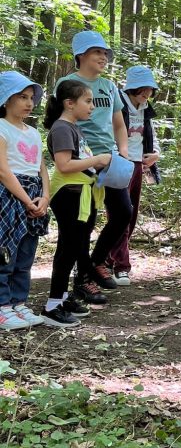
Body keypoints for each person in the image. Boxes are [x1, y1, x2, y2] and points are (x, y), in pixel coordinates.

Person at [55, 30, 130, 291]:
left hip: (109, 159)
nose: (104, 57)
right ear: (81, 55)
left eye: (106, 53)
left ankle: (97, 262)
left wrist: (122, 153)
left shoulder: (110, 87)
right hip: (81, 162)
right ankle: (83, 278)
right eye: (98, 52)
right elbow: (61, 119)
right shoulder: (67, 82)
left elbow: (119, 124)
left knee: (123, 213)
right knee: (84, 221)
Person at [43, 80, 113, 327]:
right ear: (69, 104)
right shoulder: (62, 128)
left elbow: (80, 161)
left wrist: (100, 165)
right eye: (88, 101)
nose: (92, 106)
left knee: (76, 248)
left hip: (82, 193)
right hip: (68, 195)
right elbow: (64, 165)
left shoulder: (74, 128)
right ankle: (52, 306)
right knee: (67, 250)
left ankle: (62, 298)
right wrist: (96, 159)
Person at [0, 71, 50, 330]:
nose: (29, 102)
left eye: (31, 97)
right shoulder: (1, 128)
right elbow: (3, 170)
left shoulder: (32, 132)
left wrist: (44, 198)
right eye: (22, 97)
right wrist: (25, 200)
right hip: (9, 196)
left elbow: (41, 168)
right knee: (5, 251)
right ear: (6, 100)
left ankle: (19, 303)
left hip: (34, 194)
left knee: (26, 253)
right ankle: (2, 306)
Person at [106, 66, 161, 285]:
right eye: (143, 89)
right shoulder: (118, 105)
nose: (147, 94)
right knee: (121, 214)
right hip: (119, 164)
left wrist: (155, 154)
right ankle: (121, 266)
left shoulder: (146, 109)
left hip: (139, 164)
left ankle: (108, 260)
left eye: (150, 89)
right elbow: (108, 132)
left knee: (132, 214)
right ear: (132, 88)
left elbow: (152, 136)